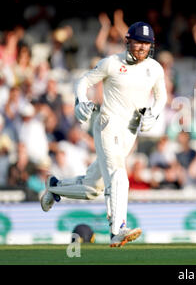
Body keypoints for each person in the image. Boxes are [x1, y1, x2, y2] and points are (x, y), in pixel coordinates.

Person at [40, 22, 167, 247]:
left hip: (129, 133)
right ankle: (117, 229)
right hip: (108, 125)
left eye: (146, 44)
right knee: (119, 176)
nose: (141, 47)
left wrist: (153, 115)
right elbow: (84, 81)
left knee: (92, 189)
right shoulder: (112, 63)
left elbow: (161, 98)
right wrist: (81, 102)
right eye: (137, 42)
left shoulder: (155, 68)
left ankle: (54, 186)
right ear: (128, 41)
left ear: (151, 46)